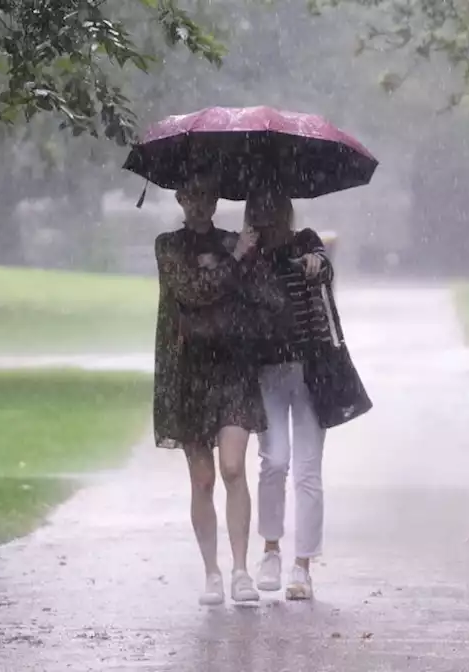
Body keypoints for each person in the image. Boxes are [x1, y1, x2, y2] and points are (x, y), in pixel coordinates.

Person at [153, 172, 275, 605]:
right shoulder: (168, 246)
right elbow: (193, 292)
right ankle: (212, 573)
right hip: (189, 375)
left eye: (207, 195)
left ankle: (242, 569)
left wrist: (238, 258)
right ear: (181, 198)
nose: (200, 203)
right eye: (192, 195)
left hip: (233, 371)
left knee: (233, 468)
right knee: (203, 480)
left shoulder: (234, 241)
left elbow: (257, 294)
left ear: (217, 199)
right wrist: (232, 264)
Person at [244, 189, 335, 601]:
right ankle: (270, 550)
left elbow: (325, 268)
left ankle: (303, 566)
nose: (271, 218)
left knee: (308, 470)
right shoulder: (248, 256)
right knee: (274, 460)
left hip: (312, 371)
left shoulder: (306, 243)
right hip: (268, 371)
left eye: (276, 210)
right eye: (263, 211)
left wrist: (318, 264)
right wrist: (241, 256)